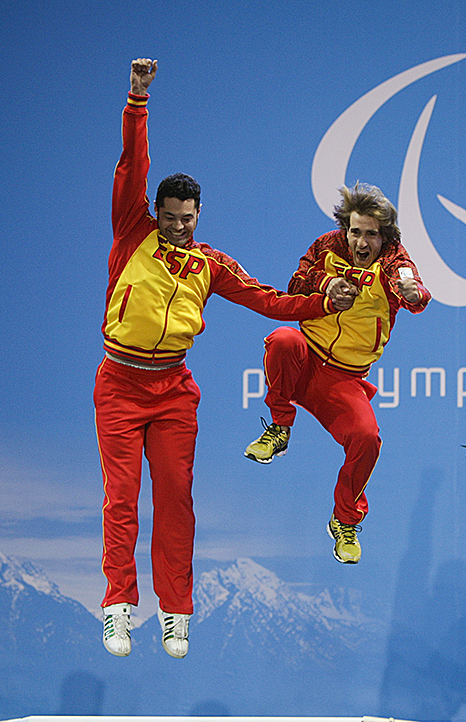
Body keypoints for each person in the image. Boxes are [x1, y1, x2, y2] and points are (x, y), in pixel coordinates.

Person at [97, 58, 349, 660]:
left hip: (174, 389)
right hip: (119, 385)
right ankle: (117, 607)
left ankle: (176, 612)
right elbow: (134, 166)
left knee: (177, 497)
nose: (180, 227)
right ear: (155, 213)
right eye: (171, 217)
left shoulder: (210, 263)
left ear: (199, 216)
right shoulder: (132, 232)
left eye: (189, 219)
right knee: (123, 496)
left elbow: (265, 298)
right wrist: (138, 100)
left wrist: (320, 303)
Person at [243, 183, 430, 564]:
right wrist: (327, 284)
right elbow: (296, 284)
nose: (362, 242)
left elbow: (413, 288)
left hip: (343, 380)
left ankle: (344, 520)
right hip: (305, 360)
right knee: (282, 339)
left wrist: (413, 293)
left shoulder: (394, 261)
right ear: (346, 229)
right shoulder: (327, 246)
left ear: (386, 236)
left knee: (367, 438)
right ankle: (279, 428)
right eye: (356, 232)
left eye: (372, 235)